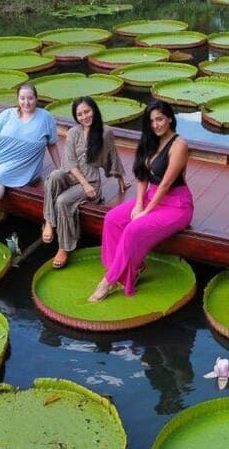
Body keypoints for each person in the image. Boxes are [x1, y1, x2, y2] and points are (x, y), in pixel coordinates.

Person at [88, 101, 193, 301]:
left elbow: (165, 185)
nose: (156, 124)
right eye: (152, 121)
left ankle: (108, 282)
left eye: (160, 119)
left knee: (133, 229)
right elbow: (142, 177)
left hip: (176, 204)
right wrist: (138, 204)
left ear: (170, 118)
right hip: (150, 197)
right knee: (112, 219)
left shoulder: (179, 145)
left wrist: (145, 212)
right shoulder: (149, 140)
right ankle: (128, 270)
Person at [42, 96, 129, 269]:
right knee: (53, 176)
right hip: (74, 176)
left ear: (94, 110)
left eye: (87, 112)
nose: (84, 117)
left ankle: (63, 247)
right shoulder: (73, 132)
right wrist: (83, 183)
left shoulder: (105, 133)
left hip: (92, 182)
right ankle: (49, 222)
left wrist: (120, 179)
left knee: (62, 201)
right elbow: (69, 163)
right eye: (79, 114)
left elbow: (112, 157)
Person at [0, 82, 60, 237]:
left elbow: (53, 145)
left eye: (30, 98)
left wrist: (59, 168)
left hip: (25, 163)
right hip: (0, 155)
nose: (26, 102)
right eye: (22, 98)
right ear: (18, 99)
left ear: (36, 99)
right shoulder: (6, 114)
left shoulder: (46, 118)